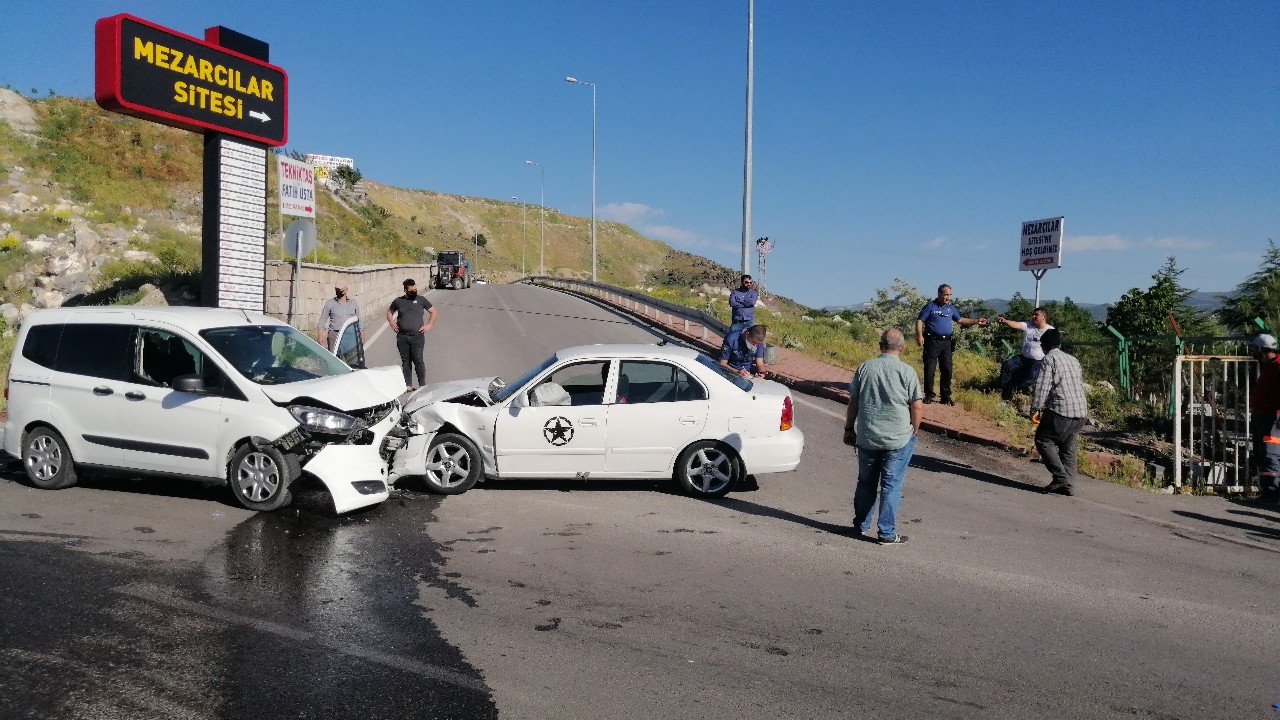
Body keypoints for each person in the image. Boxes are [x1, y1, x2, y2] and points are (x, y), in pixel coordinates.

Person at [842, 328, 923, 545]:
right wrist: (914, 430)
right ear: (903, 348)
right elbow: (916, 406)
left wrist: (849, 429)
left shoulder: (865, 368)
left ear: (880, 346)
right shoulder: (907, 372)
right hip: (898, 438)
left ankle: (860, 525)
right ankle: (886, 533)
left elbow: (853, 402)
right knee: (891, 485)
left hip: (868, 435)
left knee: (866, 482)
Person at [1029, 328, 1088, 495]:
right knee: (1068, 447)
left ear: (1044, 345)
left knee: (1043, 440)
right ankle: (1068, 485)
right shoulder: (1073, 359)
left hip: (1061, 410)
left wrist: (1035, 409)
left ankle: (1060, 477)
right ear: (1060, 344)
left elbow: (1042, 387)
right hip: (1080, 411)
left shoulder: (1049, 359)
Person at [915, 284, 989, 405]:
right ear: (939, 294)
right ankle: (929, 395)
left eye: (950, 295)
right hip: (932, 341)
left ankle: (945, 396)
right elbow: (920, 320)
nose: (948, 297)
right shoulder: (930, 307)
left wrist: (976, 321)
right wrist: (919, 336)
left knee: (947, 369)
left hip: (946, 343)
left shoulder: (951, 308)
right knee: (930, 369)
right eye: (946, 294)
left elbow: (960, 320)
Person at [386, 278, 438, 392]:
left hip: (417, 337)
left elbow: (434, 312)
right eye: (411, 290)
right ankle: (408, 385)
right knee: (406, 361)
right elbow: (389, 312)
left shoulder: (421, 300)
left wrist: (429, 325)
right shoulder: (398, 301)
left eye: (415, 289)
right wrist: (392, 323)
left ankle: (422, 385)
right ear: (406, 290)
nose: (414, 291)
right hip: (402, 337)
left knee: (418, 360)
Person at [995, 307, 1054, 402]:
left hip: (1038, 362)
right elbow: (1016, 324)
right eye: (1033, 314)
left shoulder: (1050, 330)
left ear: (1043, 317)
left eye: (1036, 315)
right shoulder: (1028, 325)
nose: (1033, 316)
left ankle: (1012, 394)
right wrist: (1005, 321)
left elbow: (1055, 348)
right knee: (1007, 365)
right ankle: (1002, 391)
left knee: (1028, 380)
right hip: (1023, 358)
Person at [1248, 334, 1280, 504]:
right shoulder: (1269, 366)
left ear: (1260, 349)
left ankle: (1273, 494)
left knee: (1270, 453)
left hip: (1273, 419)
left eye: (1254, 348)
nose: (1253, 351)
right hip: (1263, 417)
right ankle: (1267, 492)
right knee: (1262, 453)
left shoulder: (1278, 367)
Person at [317, 283, 363, 351]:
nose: (338, 292)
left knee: (350, 359)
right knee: (334, 359)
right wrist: (320, 334)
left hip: (350, 335)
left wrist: (362, 332)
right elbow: (322, 320)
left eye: (340, 290)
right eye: (337, 290)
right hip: (335, 335)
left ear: (346, 290)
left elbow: (359, 319)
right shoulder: (330, 303)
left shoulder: (353, 303)